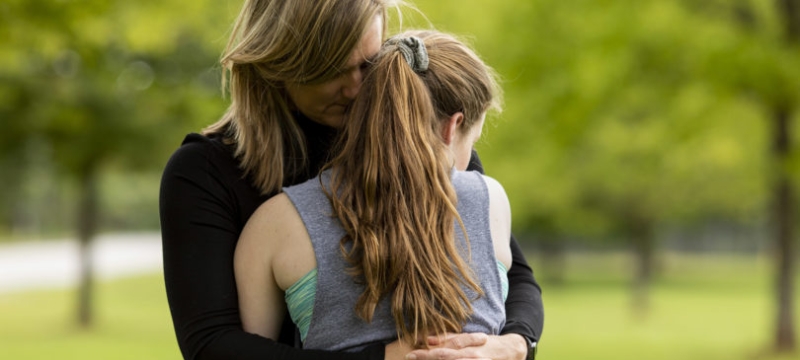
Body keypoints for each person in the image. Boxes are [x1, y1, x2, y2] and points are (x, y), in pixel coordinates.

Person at [159, 0, 543, 359]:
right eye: (332, 71)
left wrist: (513, 345)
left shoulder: (418, 143)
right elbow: (212, 346)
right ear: (278, 62)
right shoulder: (204, 173)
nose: (357, 88)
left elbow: (513, 278)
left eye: (367, 64)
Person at [235, 30, 513, 356]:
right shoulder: (491, 199)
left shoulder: (275, 223)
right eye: (473, 140)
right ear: (452, 127)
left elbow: (244, 351)